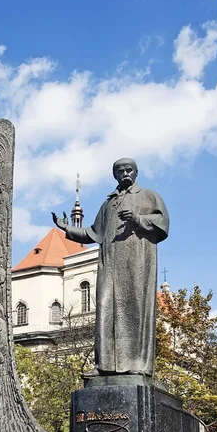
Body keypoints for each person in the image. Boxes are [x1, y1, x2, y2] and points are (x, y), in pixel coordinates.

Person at [52, 158, 169, 377]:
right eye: (120, 171)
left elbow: (162, 224)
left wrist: (137, 219)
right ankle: (104, 365)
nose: (125, 174)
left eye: (129, 170)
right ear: (115, 175)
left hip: (136, 265)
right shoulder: (108, 204)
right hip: (109, 266)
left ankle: (139, 365)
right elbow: (92, 233)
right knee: (105, 309)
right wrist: (66, 228)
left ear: (136, 172)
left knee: (135, 310)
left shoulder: (149, 196)